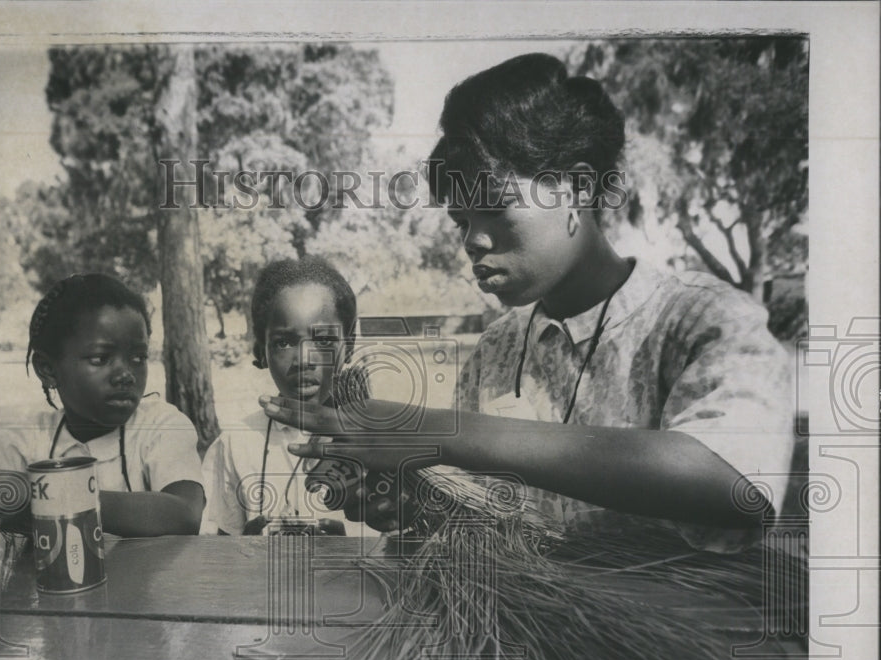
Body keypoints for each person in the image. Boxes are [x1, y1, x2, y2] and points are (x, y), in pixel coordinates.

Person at [259, 53, 794, 553]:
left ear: (578, 188)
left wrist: (435, 430)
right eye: (461, 221)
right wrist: (409, 505)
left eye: (495, 208)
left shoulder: (704, 322)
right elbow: (480, 517)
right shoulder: (497, 350)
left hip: (683, 648)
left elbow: (733, 483)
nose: (472, 240)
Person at [0, 273, 205, 536]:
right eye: (101, 359)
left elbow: (185, 514)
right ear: (47, 370)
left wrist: (50, 497)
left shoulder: (161, 426)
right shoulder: (22, 442)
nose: (126, 374)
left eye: (138, 357)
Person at [201, 257, 383, 538]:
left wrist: (346, 548)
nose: (303, 360)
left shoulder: (378, 440)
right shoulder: (236, 443)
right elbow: (218, 553)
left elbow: (399, 547)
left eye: (323, 341)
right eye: (284, 342)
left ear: (349, 346)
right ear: (261, 351)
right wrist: (244, 547)